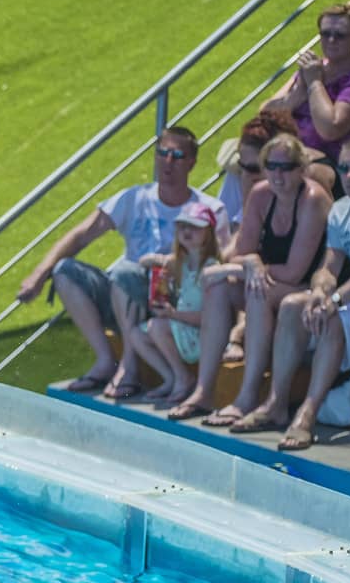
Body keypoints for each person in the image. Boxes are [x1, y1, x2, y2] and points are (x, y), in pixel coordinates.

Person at [230, 138, 350, 451]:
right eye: (344, 168)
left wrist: (333, 301)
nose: (349, 176)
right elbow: (329, 266)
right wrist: (320, 291)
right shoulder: (341, 209)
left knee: (331, 317)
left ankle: (307, 414)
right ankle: (276, 403)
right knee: (294, 304)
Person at [17, 127, 229, 399]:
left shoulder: (208, 209)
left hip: (177, 300)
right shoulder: (134, 198)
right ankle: (106, 360)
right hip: (126, 295)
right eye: (162, 153)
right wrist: (38, 275)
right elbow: (82, 233)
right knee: (65, 271)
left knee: (124, 271)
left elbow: (221, 261)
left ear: (192, 162)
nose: (168, 161)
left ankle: (129, 367)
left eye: (177, 155)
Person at [170, 134, 330, 424]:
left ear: (302, 168)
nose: (278, 174)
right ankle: (204, 390)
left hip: (308, 287)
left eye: (287, 166)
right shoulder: (260, 194)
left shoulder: (313, 200)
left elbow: (295, 271)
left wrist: (244, 268)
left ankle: (247, 397)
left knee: (257, 289)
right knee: (219, 287)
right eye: (271, 165)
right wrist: (248, 263)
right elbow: (241, 252)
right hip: (272, 284)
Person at [262, 5, 350, 173]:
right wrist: (297, 95)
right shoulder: (315, 67)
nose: (331, 40)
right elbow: (266, 114)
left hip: (342, 166)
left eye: (340, 35)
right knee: (243, 159)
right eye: (325, 34)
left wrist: (314, 84)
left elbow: (330, 129)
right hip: (294, 155)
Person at [138, 204, 222, 405]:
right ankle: (171, 376)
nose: (187, 231)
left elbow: (209, 319)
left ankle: (183, 377)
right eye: (182, 226)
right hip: (183, 328)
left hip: (199, 334)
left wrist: (172, 314)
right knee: (135, 334)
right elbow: (144, 261)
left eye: (194, 227)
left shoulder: (211, 269)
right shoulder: (180, 263)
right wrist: (161, 269)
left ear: (208, 233)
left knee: (156, 326)